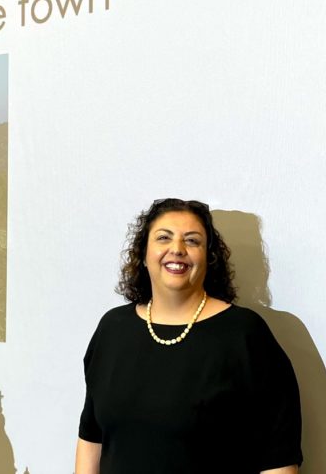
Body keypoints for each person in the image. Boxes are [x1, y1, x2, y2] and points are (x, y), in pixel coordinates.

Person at [75, 198, 302, 474]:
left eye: (192, 241)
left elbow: (278, 460)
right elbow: (91, 440)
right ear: (143, 254)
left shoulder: (245, 334)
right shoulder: (112, 329)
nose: (177, 249)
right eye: (163, 238)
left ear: (209, 258)